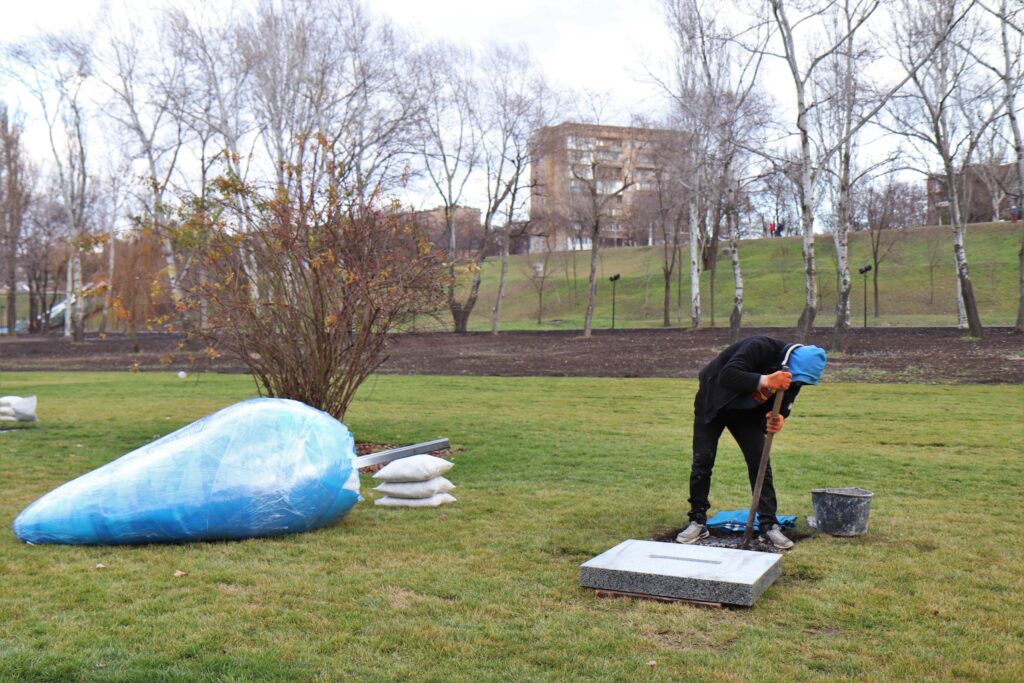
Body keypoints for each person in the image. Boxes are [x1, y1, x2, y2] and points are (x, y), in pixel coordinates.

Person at [676, 336, 827, 549]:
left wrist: (780, 417)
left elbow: (786, 398)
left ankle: (768, 526)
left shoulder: (795, 376)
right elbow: (728, 375)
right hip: (713, 403)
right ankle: (698, 521)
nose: (797, 384)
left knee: (760, 463)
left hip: (745, 413)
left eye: (800, 381)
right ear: (788, 363)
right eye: (797, 378)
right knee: (703, 461)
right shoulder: (759, 347)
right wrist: (766, 381)